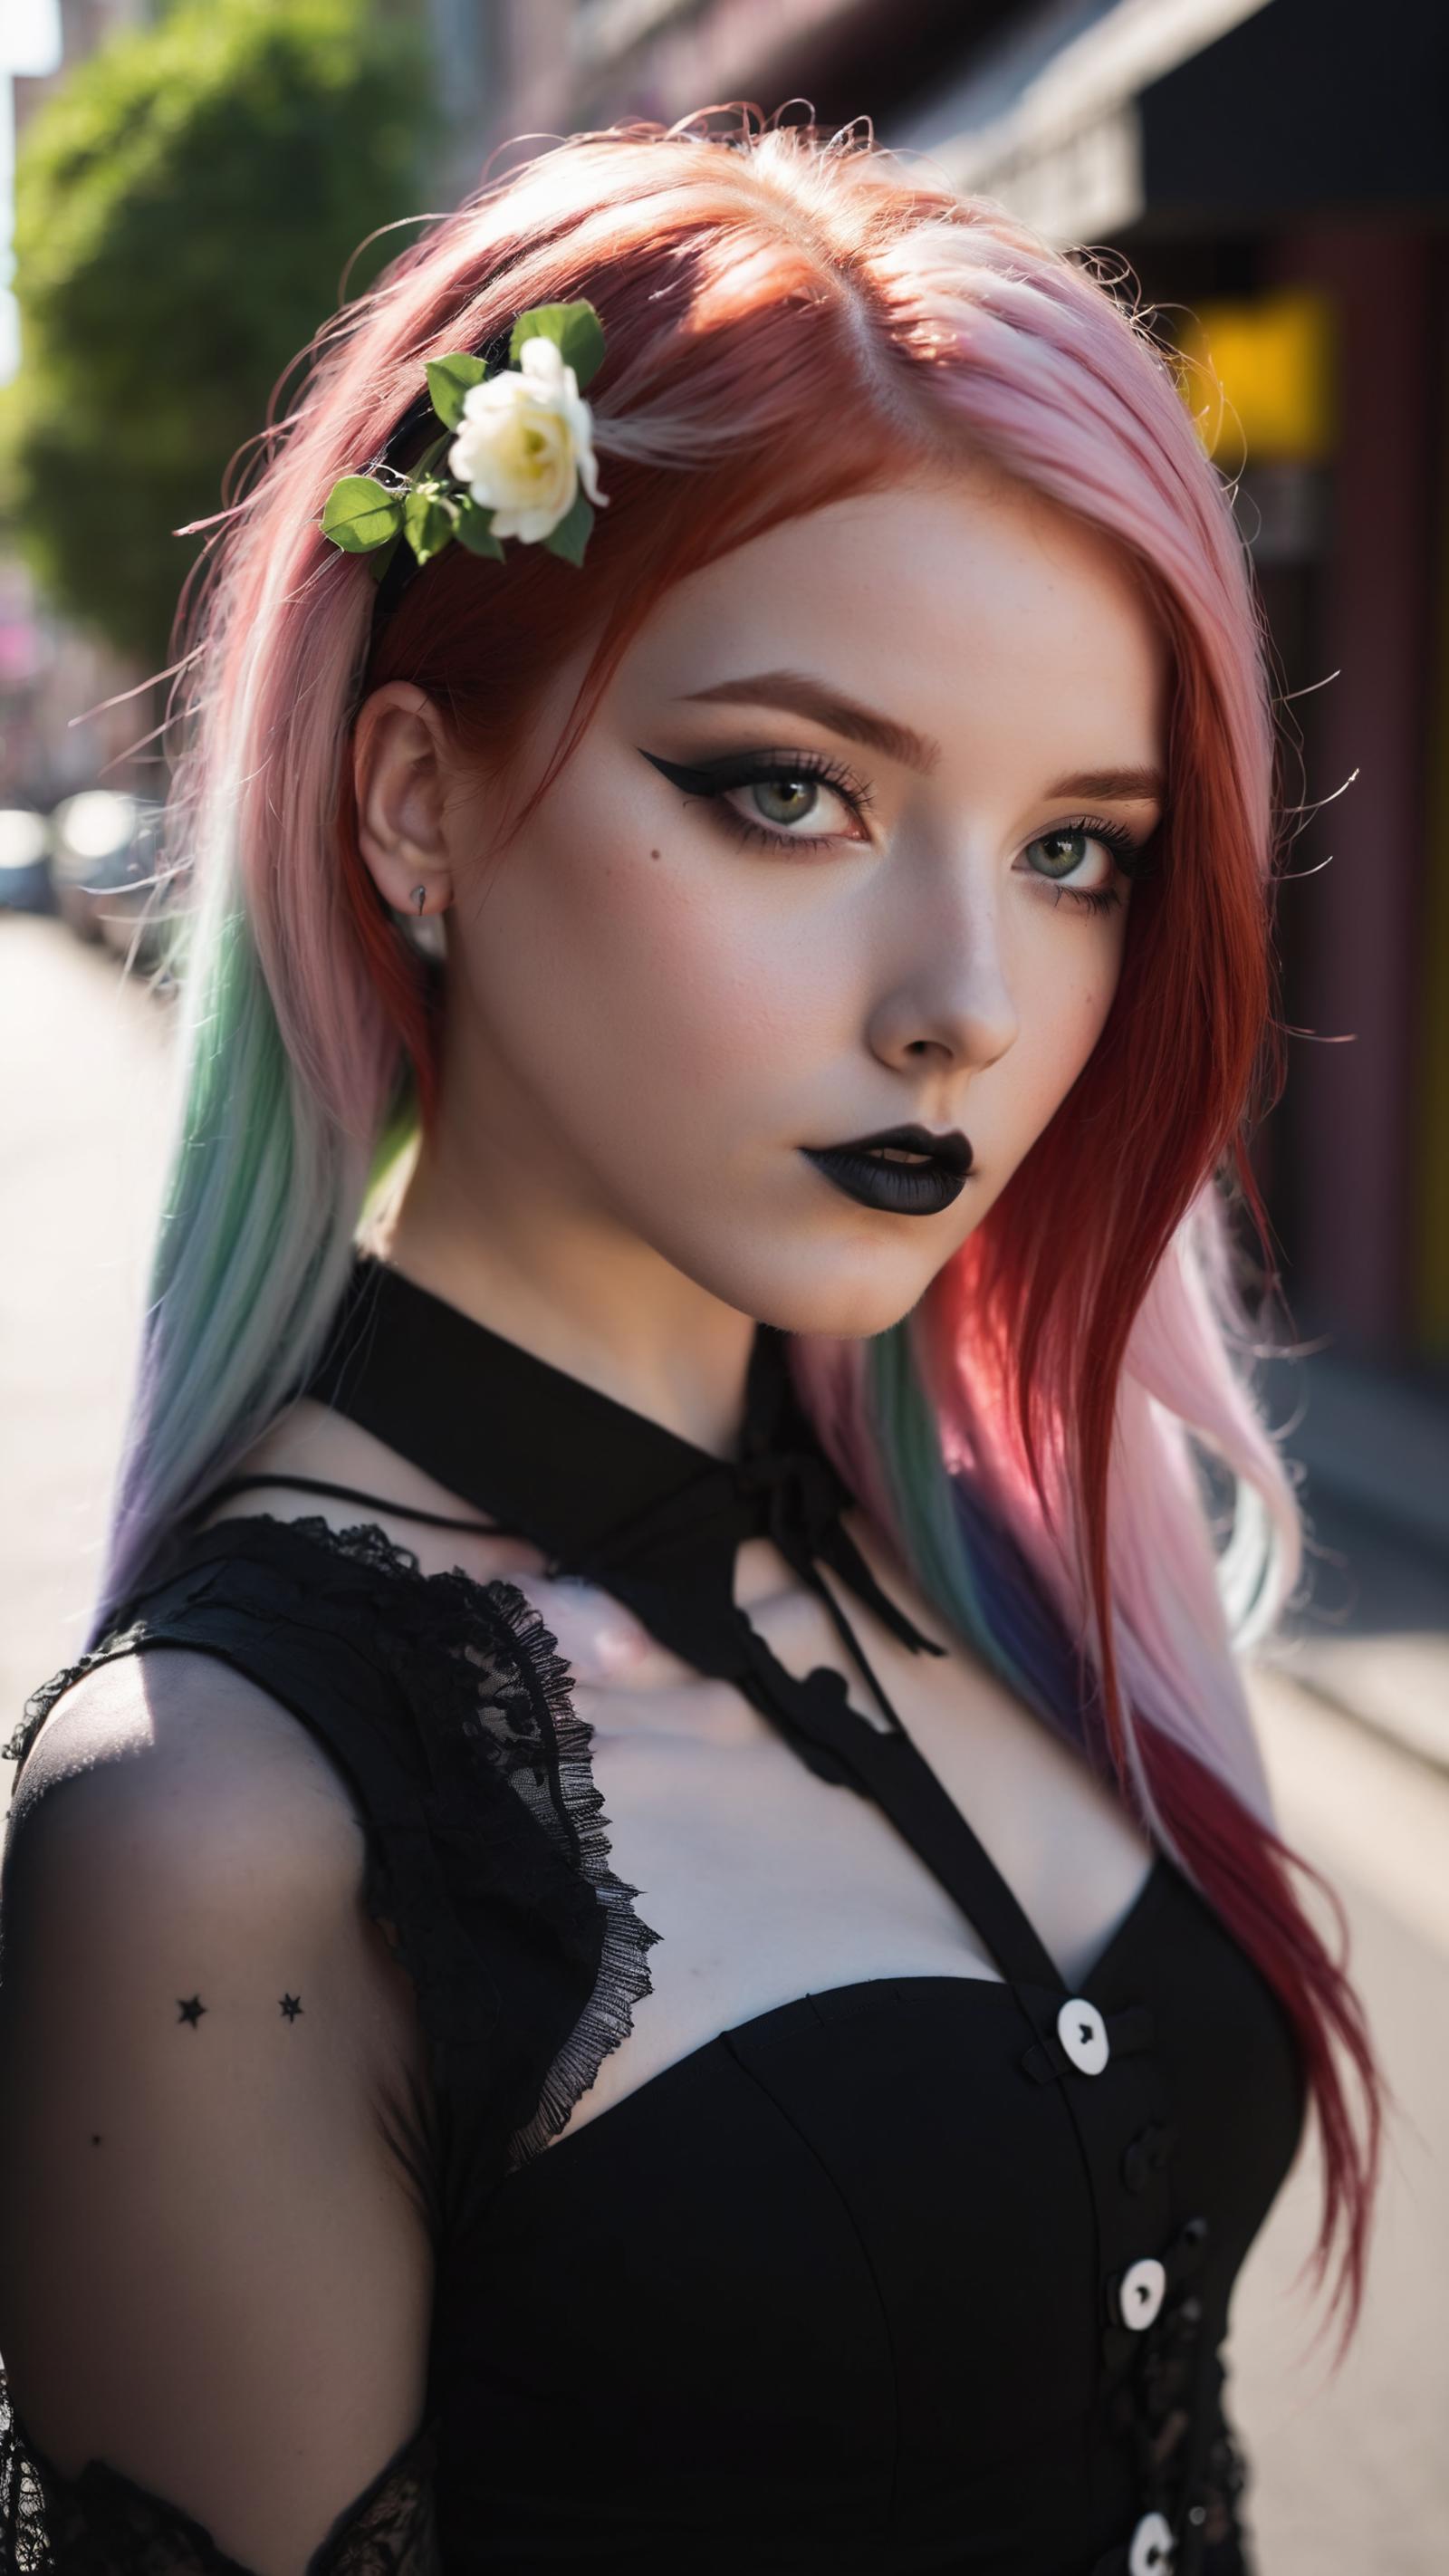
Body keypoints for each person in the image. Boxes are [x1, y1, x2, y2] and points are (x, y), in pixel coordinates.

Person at [0, 111, 1377, 2576]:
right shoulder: (231, 1830)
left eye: (1080, 848)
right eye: (793, 793)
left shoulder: (1035, 1550)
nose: (968, 1004)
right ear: (413, 801)